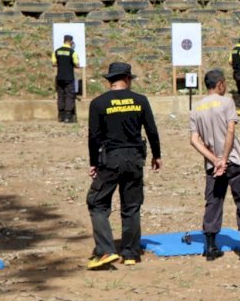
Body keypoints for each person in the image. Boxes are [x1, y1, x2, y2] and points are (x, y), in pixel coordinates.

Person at [86, 62, 162, 269]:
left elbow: (94, 136)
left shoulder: (98, 103)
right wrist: (157, 155)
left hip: (109, 159)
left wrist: (93, 162)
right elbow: (152, 131)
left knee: (97, 203)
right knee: (131, 205)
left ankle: (106, 250)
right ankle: (130, 253)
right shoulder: (140, 100)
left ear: (110, 80)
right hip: (135, 158)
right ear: (127, 79)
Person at [189, 69, 240, 261]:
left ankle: (211, 246)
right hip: (234, 159)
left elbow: (194, 140)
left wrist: (214, 160)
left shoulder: (196, 108)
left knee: (213, 201)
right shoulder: (227, 102)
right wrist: (224, 157)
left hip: (213, 165)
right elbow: (230, 130)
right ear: (220, 84)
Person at [52, 34, 79, 123]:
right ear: (71, 42)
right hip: (69, 77)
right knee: (69, 96)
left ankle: (61, 116)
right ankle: (68, 117)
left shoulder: (57, 51)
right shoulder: (72, 52)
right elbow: (77, 64)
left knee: (60, 96)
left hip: (59, 77)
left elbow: (54, 63)